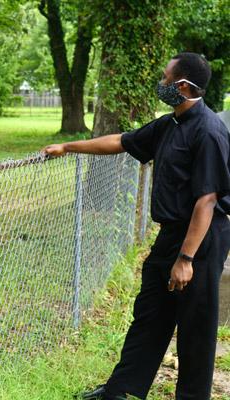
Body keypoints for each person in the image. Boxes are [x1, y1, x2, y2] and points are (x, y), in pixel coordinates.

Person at [41, 52, 230, 400]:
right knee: (150, 313)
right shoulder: (171, 123)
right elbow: (123, 141)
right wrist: (68, 146)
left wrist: (186, 259)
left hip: (201, 240)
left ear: (183, 85)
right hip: (171, 235)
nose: (162, 84)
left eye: (166, 78)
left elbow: (207, 201)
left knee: (195, 326)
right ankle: (121, 390)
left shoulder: (209, 132)